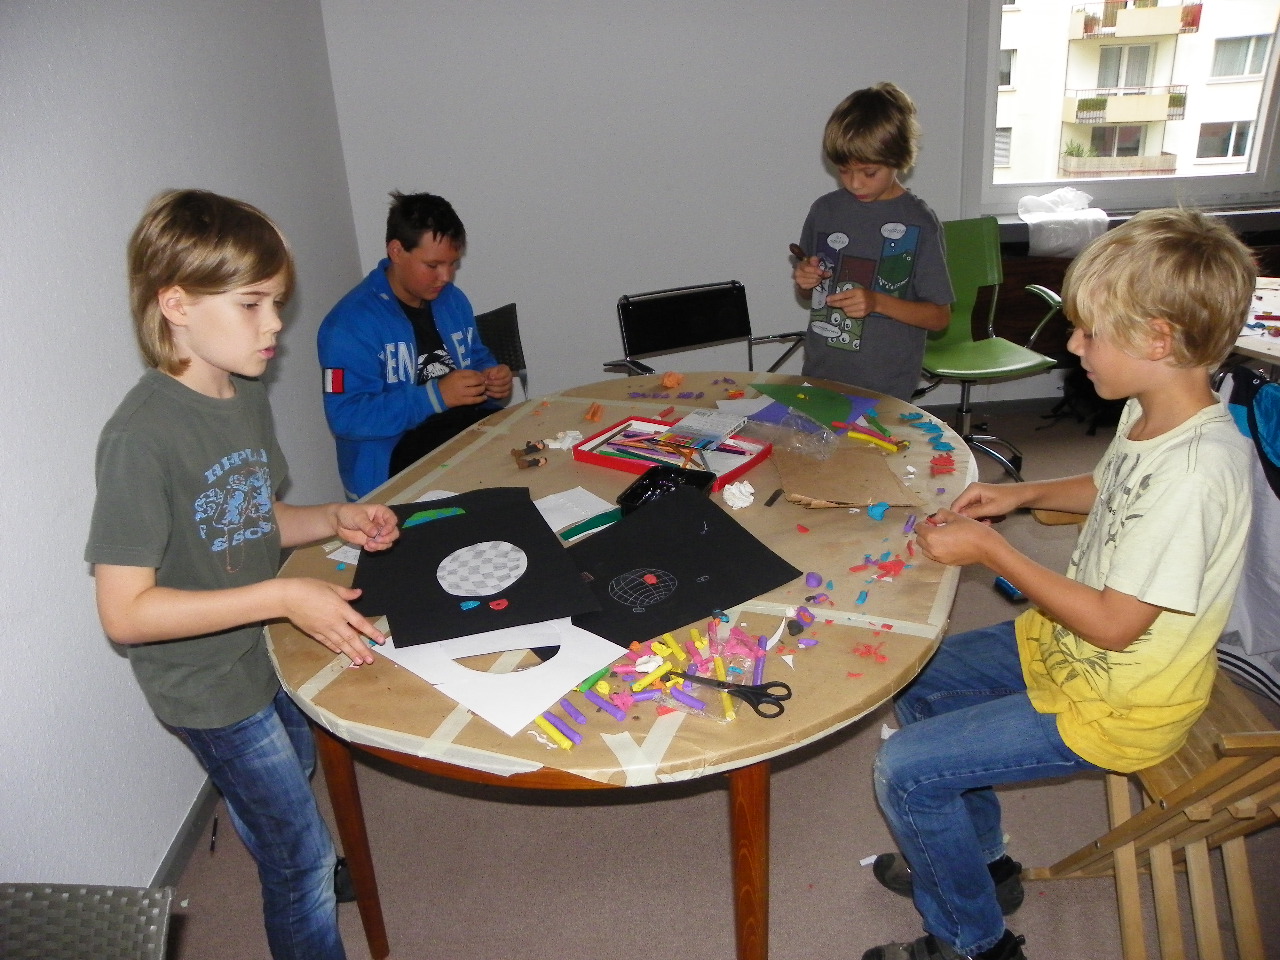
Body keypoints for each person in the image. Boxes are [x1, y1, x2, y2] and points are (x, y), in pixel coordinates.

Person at [860, 208, 1258, 960]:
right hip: (1065, 650)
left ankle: (972, 943)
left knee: (904, 772)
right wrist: (1019, 495)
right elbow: (1110, 490)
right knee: (912, 675)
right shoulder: (1151, 410)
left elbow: (1115, 623)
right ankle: (980, 864)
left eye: (1089, 332)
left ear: (1157, 339)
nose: (1073, 346)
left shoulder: (1196, 476)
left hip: (1118, 703)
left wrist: (994, 551)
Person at [86, 189, 401, 960]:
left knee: (296, 768)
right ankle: (303, 868)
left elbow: (256, 519)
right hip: (206, 684)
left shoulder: (244, 395)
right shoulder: (140, 437)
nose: (274, 326)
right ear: (177, 305)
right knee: (297, 860)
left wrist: (331, 518)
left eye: (277, 304)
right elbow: (124, 613)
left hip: (260, 645)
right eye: (253, 304)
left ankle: (292, 845)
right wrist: (284, 593)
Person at [318, 190, 512, 500]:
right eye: (433, 265)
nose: (446, 277)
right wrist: (436, 396)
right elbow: (346, 417)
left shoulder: (452, 300)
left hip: (462, 443)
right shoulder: (348, 325)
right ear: (396, 251)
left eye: (453, 264)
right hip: (394, 472)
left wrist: (491, 377)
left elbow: (476, 356)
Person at [793, 82, 952, 402]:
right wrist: (806, 280)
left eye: (868, 172)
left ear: (898, 158)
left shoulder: (918, 222)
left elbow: (939, 317)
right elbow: (809, 295)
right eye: (844, 170)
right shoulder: (824, 211)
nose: (855, 183)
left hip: (886, 384)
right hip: (822, 372)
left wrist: (877, 302)